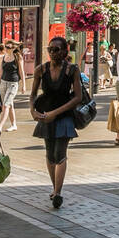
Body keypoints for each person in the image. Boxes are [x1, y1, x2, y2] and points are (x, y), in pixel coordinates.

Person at [29, 35, 83, 208]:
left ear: (65, 51)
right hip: (46, 116)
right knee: (49, 153)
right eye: (50, 49)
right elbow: (32, 94)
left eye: (56, 49)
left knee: (60, 153)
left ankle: (58, 192)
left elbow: (78, 97)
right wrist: (32, 110)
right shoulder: (41, 69)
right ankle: (54, 188)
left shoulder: (72, 70)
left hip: (64, 116)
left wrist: (56, 113)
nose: (52, 53)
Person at [0, 40, 24, 132]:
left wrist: (23, 85)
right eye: (6, 47)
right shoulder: (2, 57)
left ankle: (0, 126)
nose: (6, 49)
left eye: (8, 47)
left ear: (13, 48)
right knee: (10, 105)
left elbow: (21, 71)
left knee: (5, 105)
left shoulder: (18, 57)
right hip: (3, 83)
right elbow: (0, 72)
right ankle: (14, 125)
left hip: (13, 84)